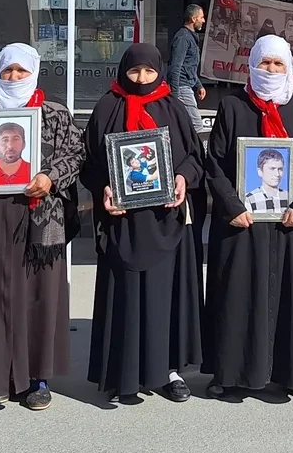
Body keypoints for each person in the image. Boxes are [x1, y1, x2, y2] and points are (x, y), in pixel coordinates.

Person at [0, 43, 82, 410]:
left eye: (21, 71)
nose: (13, 78)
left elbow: (76, 154)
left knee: (39, 296)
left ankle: (37, 379)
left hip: (41, 219)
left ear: (34, 72)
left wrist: (50, 177)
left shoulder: (53, 111)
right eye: (7, 71)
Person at [204, 34, 293, 400]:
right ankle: (231, 373)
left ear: (289, 67)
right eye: (265, 63)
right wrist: (233, 206)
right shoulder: (232, 106)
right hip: (243, 223)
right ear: (252, 65)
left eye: (278, 63)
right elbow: (215, 163)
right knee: (238, 295)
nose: (271, 70)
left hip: (292, 223)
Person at [83, 43, 204, 404]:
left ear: (159, 72)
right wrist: (103, 188)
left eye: (148, 72)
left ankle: (168, 372)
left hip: (164, 219)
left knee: (164, 298)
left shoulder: (173, 107)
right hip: (123, 222)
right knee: (127, 297)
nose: (141, 79)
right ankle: (124, 374)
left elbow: (195, 158)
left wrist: (182, 178)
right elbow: (88, 161)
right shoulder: (107, 106)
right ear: (124, 71)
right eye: (135, 72)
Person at [168, 3, 206, 129]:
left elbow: (189, 66)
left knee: (187, 125)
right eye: (201, 17)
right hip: (182, 87)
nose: (203, 20)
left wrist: (198, 85)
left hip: (187, 85)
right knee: (197, 126)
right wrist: (175, 94)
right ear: (193, 19)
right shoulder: (183, 38)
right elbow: (175, 66)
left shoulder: (189, 37)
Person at [0, 122, 32, 187]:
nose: (10, 146)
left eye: (15, 139)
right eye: (5, 140)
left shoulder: (34, 171)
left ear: (24, 145)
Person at [243, 148, 290, 213]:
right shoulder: (249, 198)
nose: (277, 174)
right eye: (272, 169)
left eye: (280, 169)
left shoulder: (289, 197)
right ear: (260, 172)